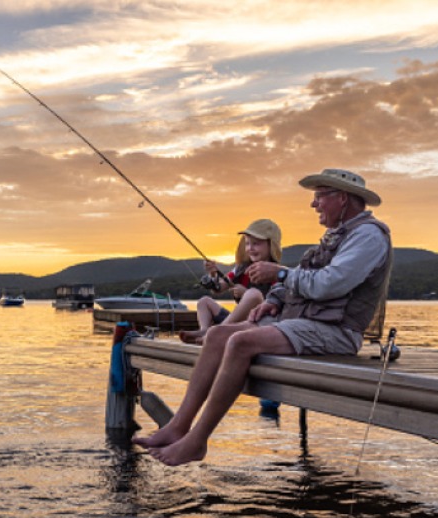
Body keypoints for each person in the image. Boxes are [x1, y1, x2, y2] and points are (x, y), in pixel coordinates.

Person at [133, 168, 392, 466]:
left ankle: (197, 440)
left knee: (242, 342)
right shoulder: (339, 236)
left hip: (337, 331)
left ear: (342, 198)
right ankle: (178, 426)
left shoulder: (369, 236)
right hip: (306, 323)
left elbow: (329, 283)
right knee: (217, 335)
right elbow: (309, 280)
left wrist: (280, 273)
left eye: (319, 196)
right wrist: (275, 300)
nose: (314, 204)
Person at [179, 219, 284, 345]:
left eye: (256, 244)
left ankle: (215, 334)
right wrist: (213, 274)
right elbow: (218, 288)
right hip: (234, 322)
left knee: (253, 294)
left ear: (271, 245)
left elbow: (275, 306)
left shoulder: (275, 273)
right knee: (204, 302)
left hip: (258, 323)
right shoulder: (240, 269)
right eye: (247, 244)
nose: (250, 248)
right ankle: (205, 331)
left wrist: (246, 294)